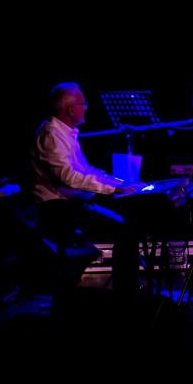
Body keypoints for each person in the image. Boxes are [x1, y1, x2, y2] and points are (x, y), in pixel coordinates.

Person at [30, 83, 147, 291]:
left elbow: (86, 171)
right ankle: (126, 290)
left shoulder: (66, 132)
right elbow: (68, 178)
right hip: (56, 207)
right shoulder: (51, 135)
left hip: (71, 201)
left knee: (128, 219)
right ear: (70, 109)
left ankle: (127, 285)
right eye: (83, 103)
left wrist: (122, 183)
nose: (87, 107)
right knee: (124, 226)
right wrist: (113, 189)